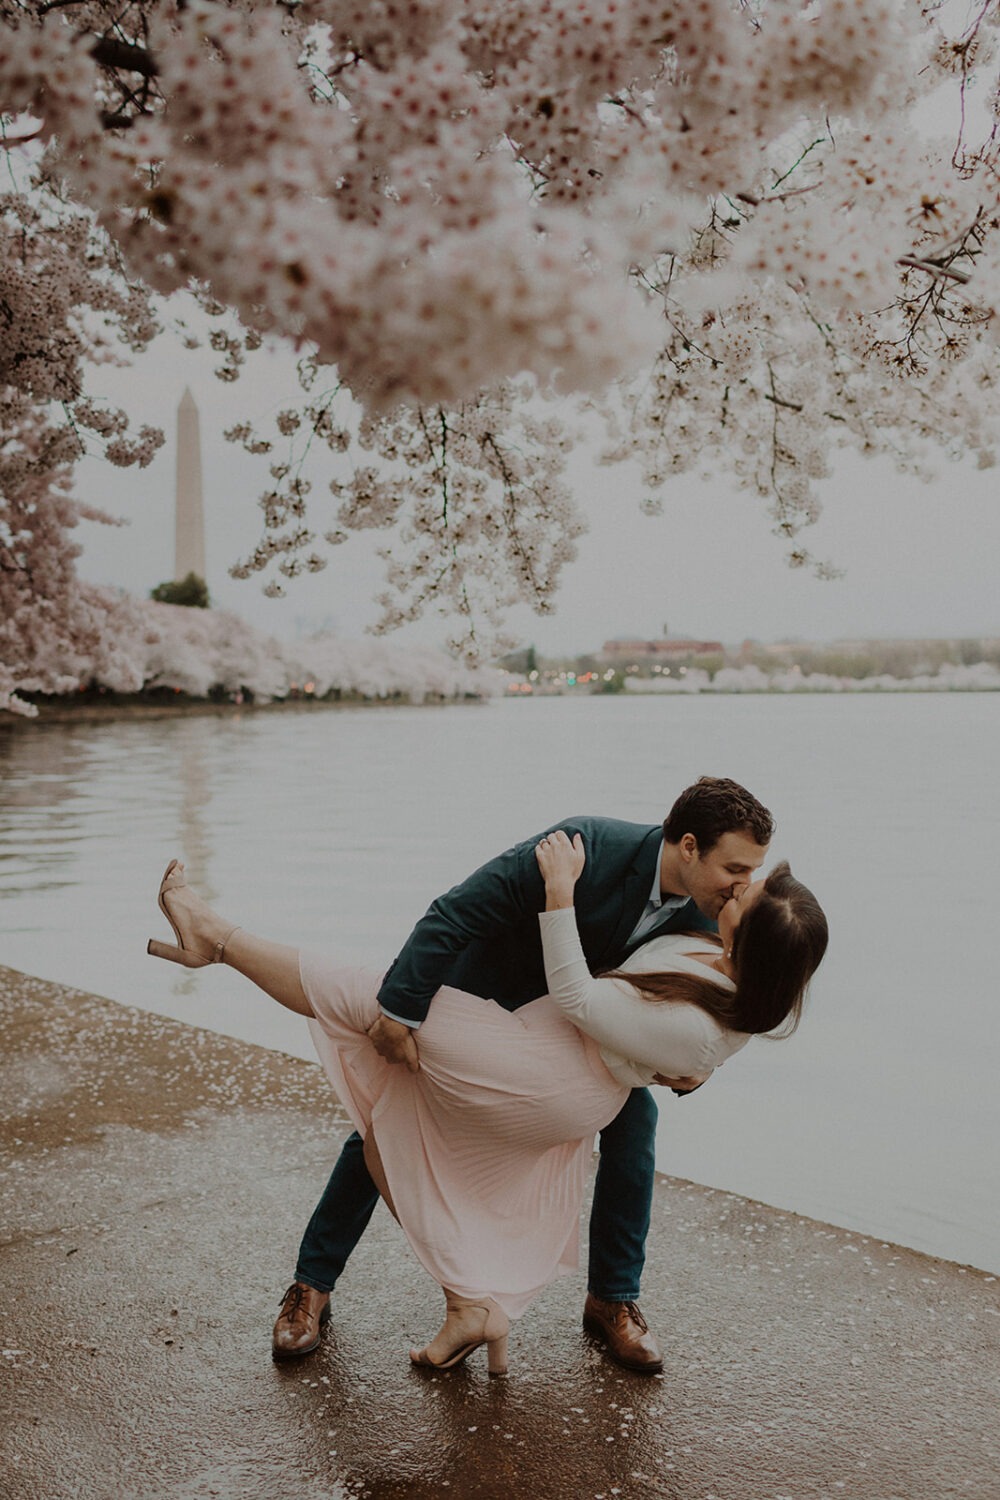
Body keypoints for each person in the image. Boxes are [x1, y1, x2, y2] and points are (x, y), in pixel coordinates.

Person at [147, 827, 828, 1376]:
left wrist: (690, 1061)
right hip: (515, 1016)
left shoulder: (712, 921)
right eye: (738, 869)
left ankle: (610, 1300)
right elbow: (456, 911)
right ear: (689, 849)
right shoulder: (611, 860)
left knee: (369, 1016)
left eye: (753, 879)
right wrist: (405, 1004)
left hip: (566, 1061)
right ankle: (337, 1288)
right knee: (386, 1103)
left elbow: (637, 1011)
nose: (742, 883)